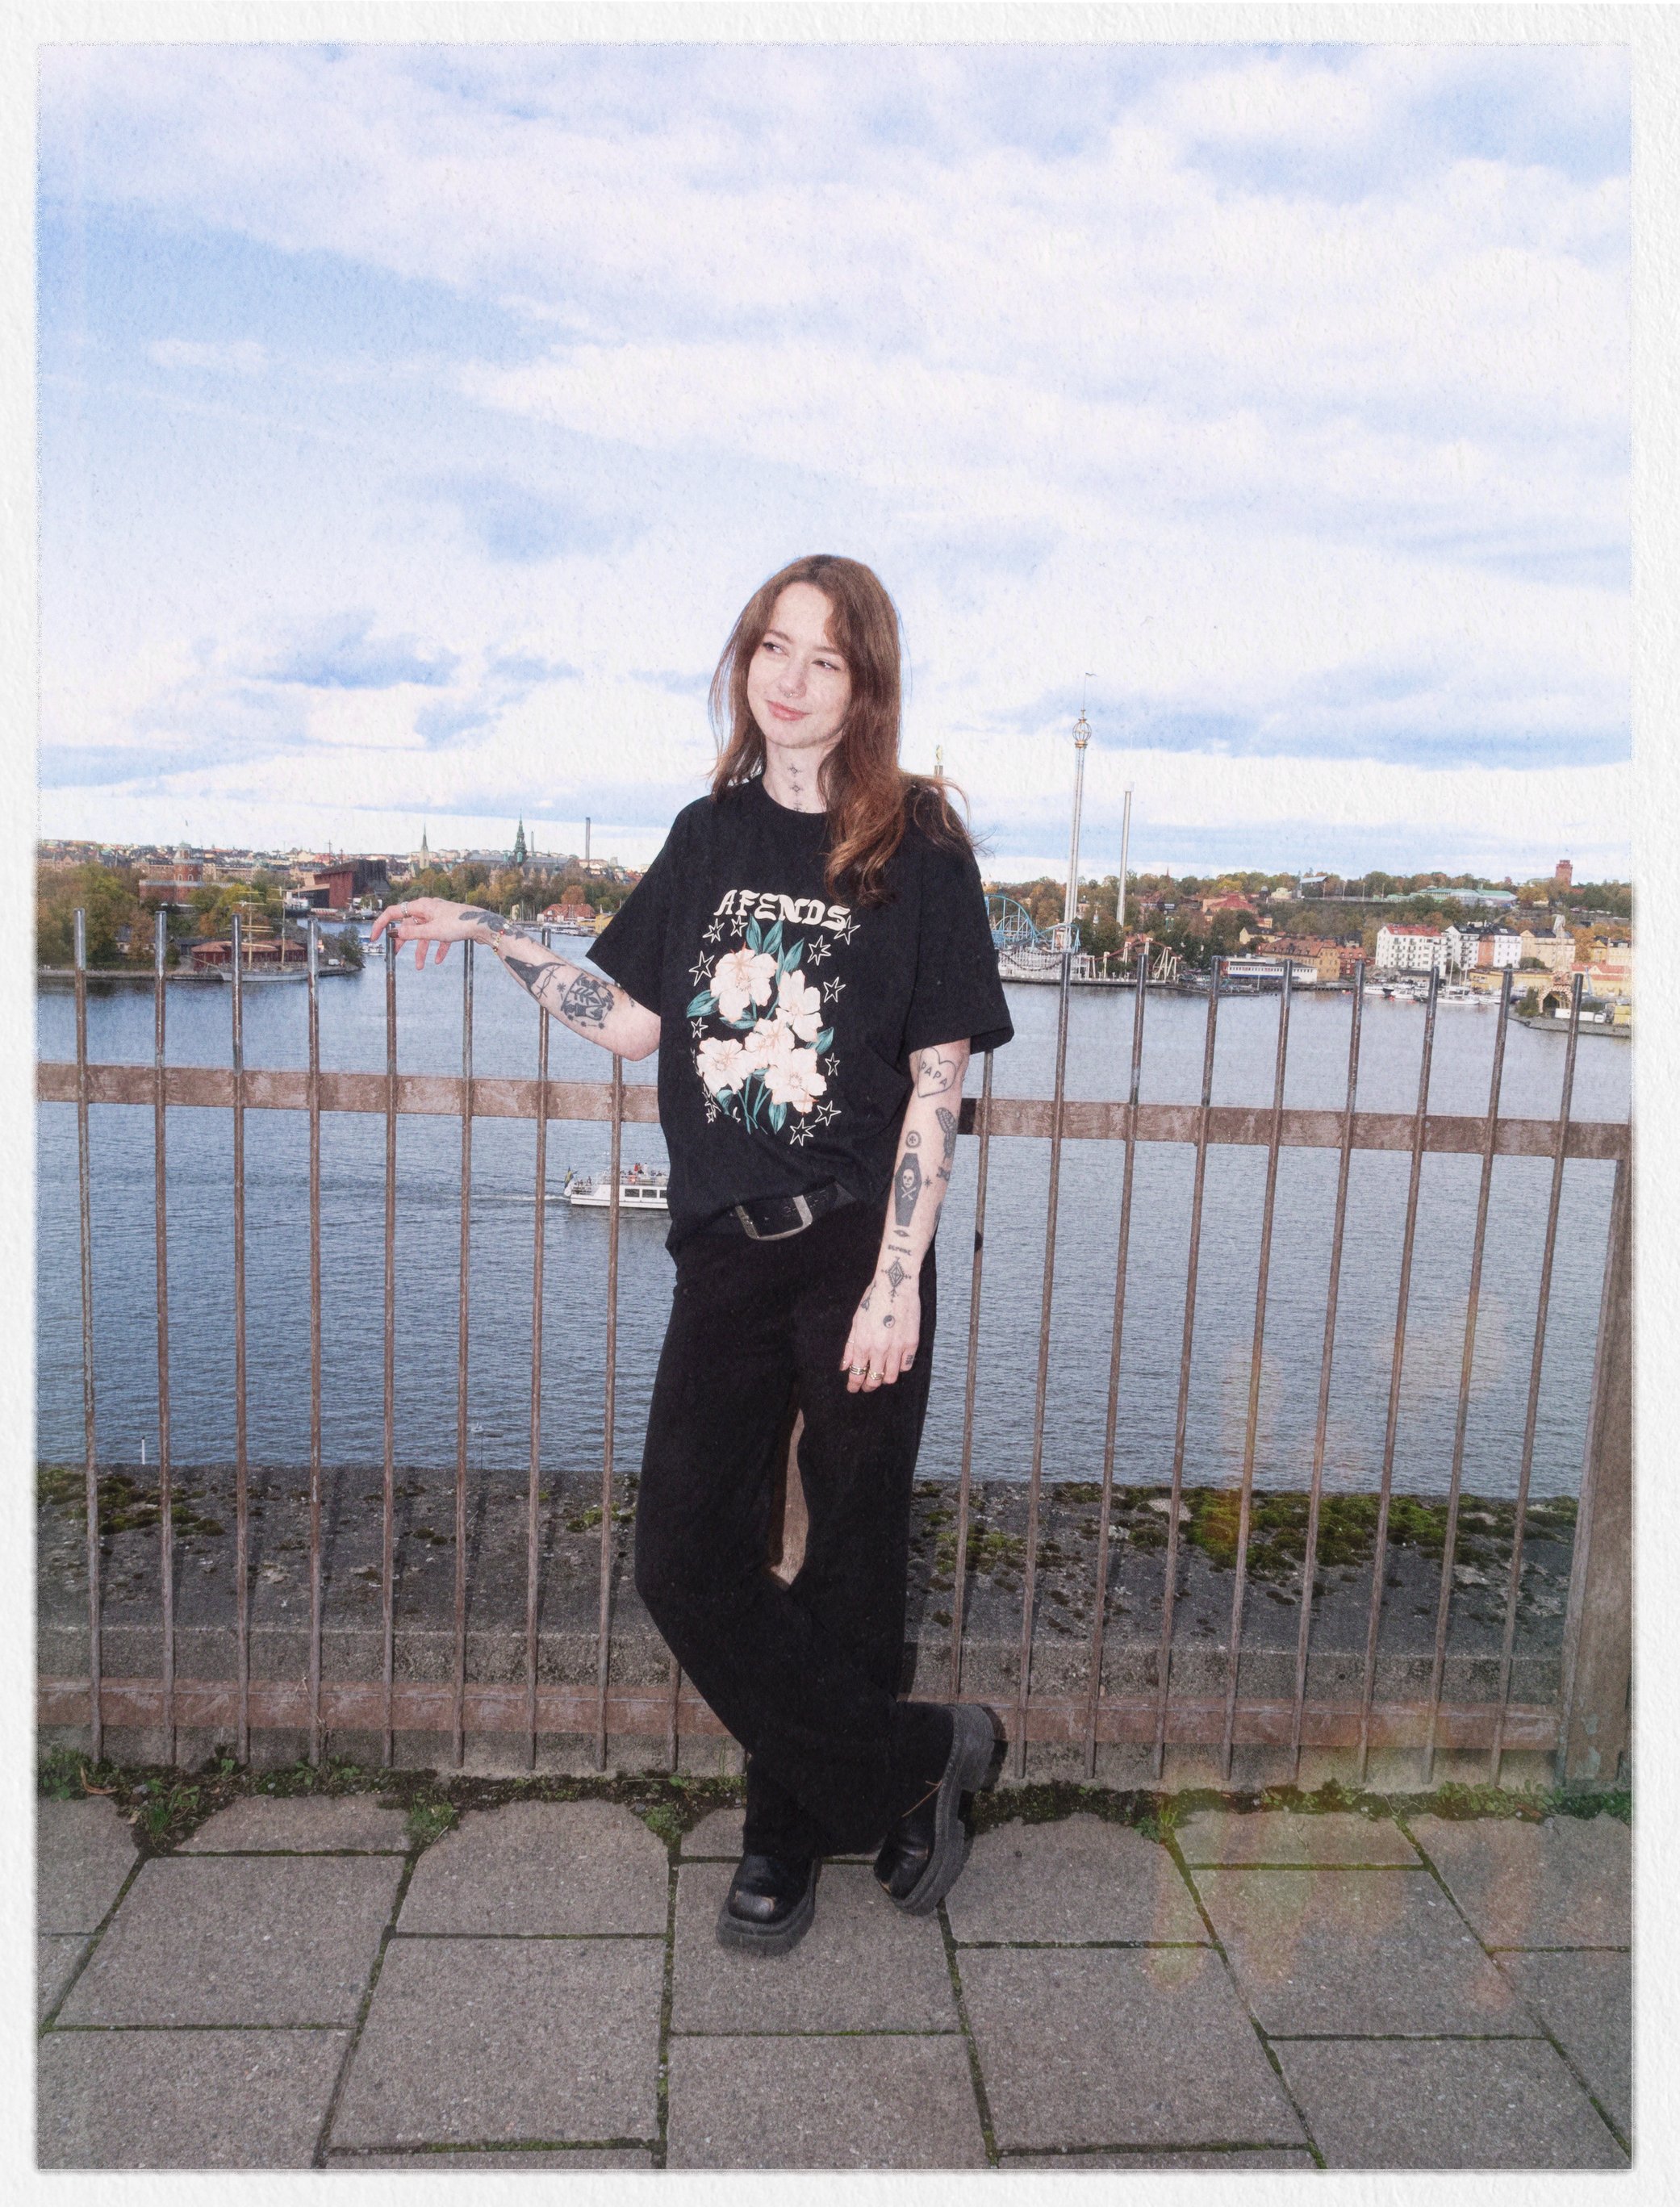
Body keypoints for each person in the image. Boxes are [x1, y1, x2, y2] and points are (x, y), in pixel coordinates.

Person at [371, 554, 1013, 1954]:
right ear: (743, 661)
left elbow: (938, 1078)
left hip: (854, 1249)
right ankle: (919, 1759)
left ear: (864, 685)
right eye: (772, 647)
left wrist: (895, 1280)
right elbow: (630, 1022)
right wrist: (488, 931)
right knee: (684, 1562)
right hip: (724, 1249)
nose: (790, 679)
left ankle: (786, 1828)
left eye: (825, 659)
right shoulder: (709, 832)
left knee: (851, 1556)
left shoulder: (918, 842)